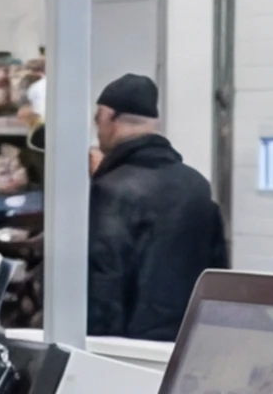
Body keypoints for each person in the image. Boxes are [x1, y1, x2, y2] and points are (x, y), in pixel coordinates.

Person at [83, 72, 224, 343]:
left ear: (108, 116)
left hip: (130, 353)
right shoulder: (196, 185)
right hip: (186, 346)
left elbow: (102, 286)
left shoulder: (112, 190)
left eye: (97, 120)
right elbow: (219, 274)